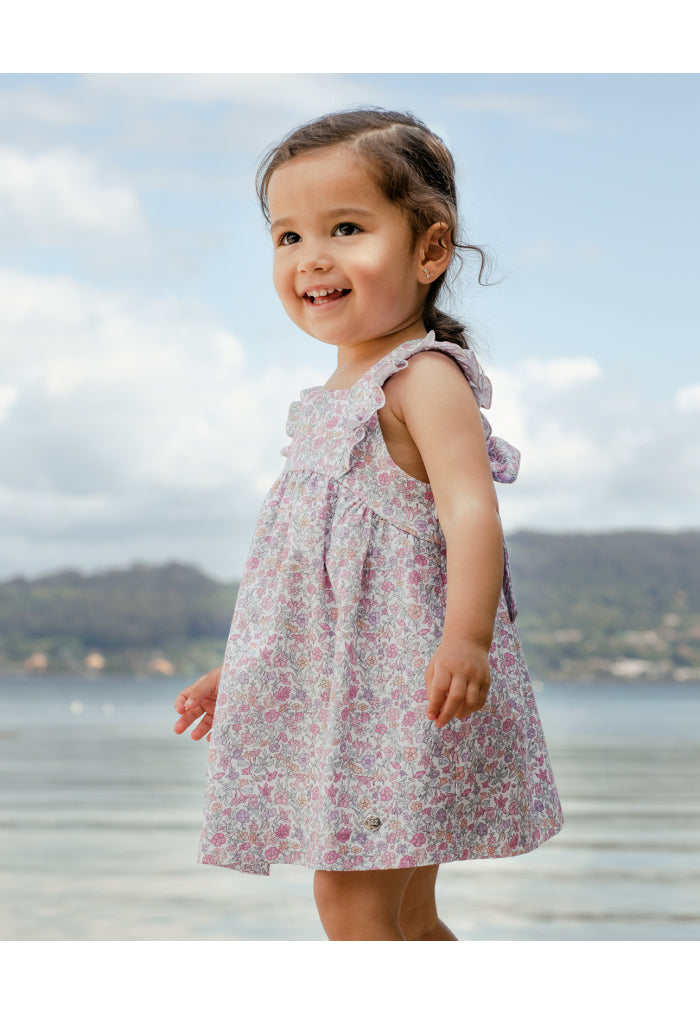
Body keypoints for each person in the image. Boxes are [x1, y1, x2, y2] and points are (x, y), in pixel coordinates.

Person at [173, 108, 563, 941]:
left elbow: (470, 511)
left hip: (399, 699)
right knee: (408, 920)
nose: (312, 256)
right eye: (288, 236)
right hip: (349, 700)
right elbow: (310, 577)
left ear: (429, 249)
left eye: (346, 228)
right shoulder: (327, 404)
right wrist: (243, 670)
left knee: (350, 906)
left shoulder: (421, 377)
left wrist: (467, 639)